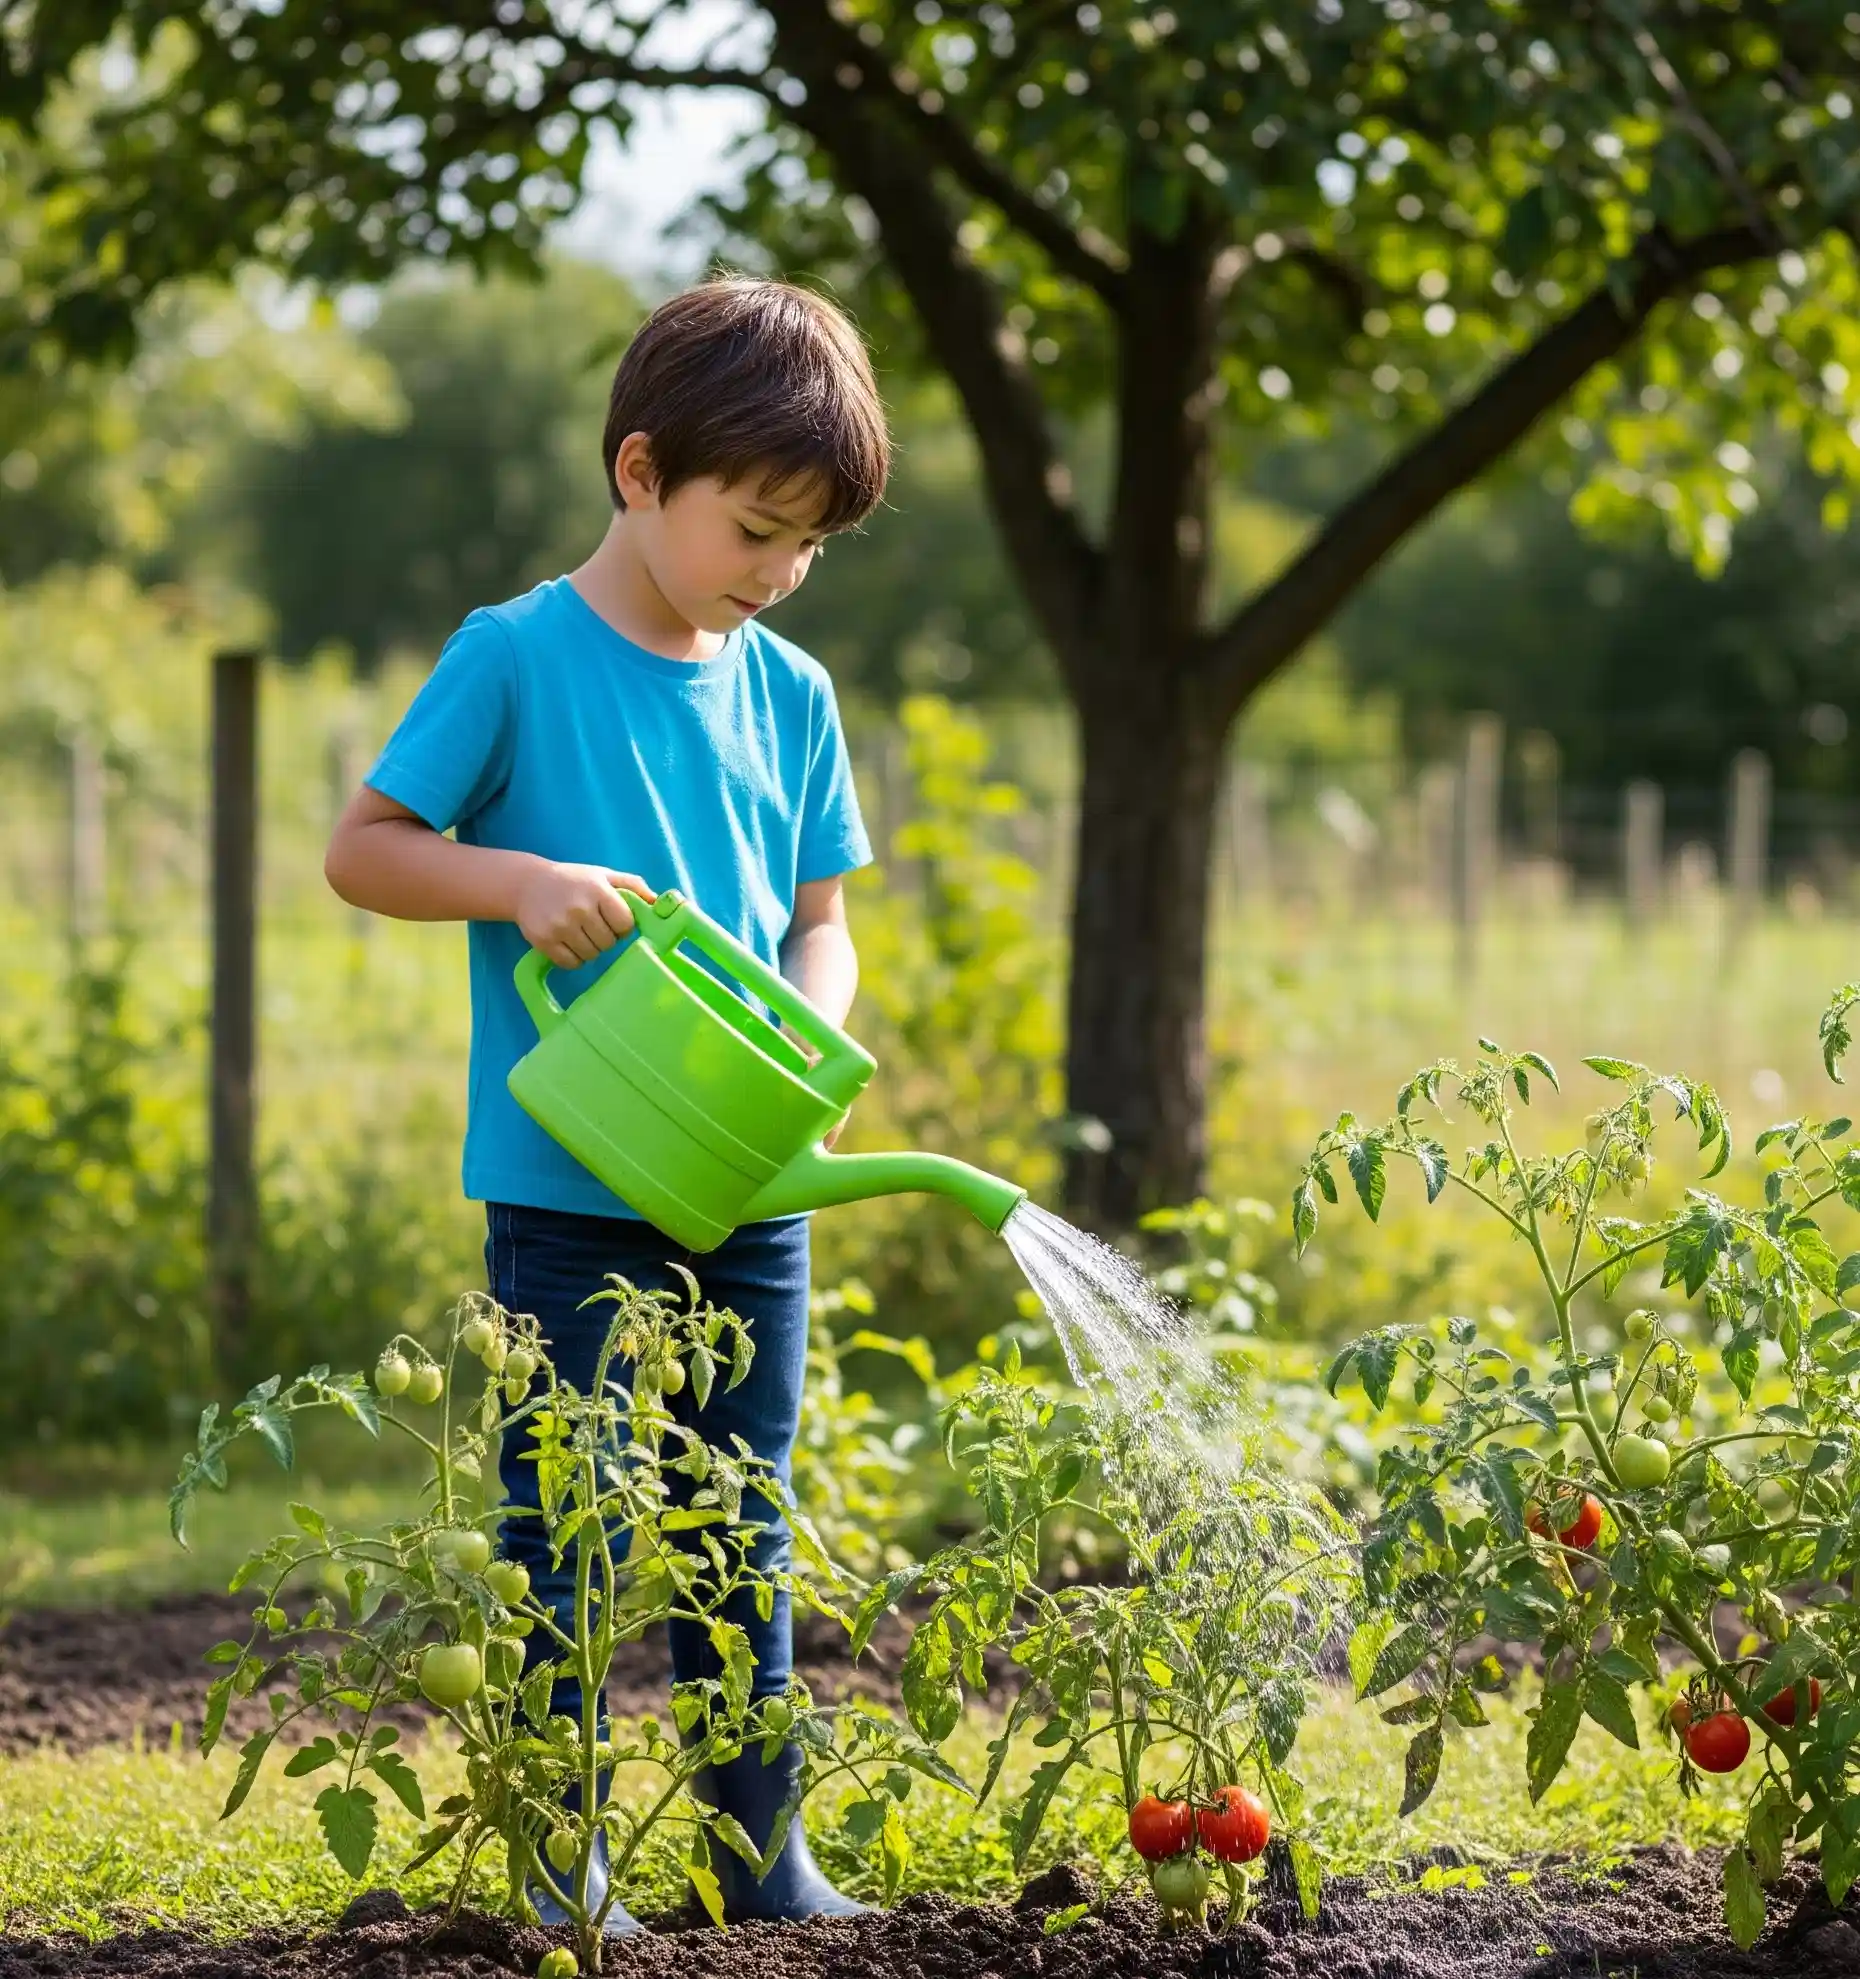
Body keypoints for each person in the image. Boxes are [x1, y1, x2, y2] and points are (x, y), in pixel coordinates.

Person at [324, 275, 889, 1933]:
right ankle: (556, 1853)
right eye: (758, 528)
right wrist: (514, 882)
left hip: (747, 1183)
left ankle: (754, 1855)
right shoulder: (513, 656)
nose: (780, 574)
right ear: (641, 473)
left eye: (810, 547)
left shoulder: (791, 692)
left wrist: (815, 1033)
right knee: (560, 1521)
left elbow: (824, 924)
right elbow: (364, 849)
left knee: (742, 1514)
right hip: (565, 1186)